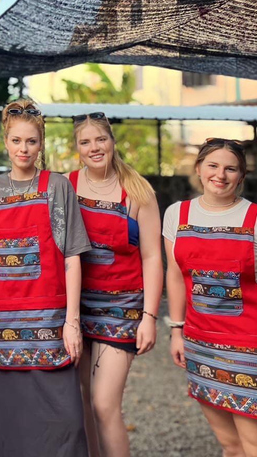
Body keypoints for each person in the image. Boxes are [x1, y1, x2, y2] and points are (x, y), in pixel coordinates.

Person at [0, 99, 90, 457]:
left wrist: (72, 322)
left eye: (32, 142)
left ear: (42, 144)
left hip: (51, 323)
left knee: (65, 421)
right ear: (6, 142)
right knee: (9, 424)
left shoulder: (56, 186)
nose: (24, 149)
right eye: (17, 141)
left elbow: (71, 255)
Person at [67, 112, 163, 457]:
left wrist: (149, 317)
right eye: (86, 142)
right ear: (76, 147)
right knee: (82, 404)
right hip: (76, 309)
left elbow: (152, 257)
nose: (95, 148)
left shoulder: (138, 190)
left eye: (101, 139)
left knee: (104, 404)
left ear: (112, 142)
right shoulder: (67, 185)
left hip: (121, 310)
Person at [165, 138, 257, 457]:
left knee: (255, 445)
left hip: (252, 347)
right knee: (229, 445)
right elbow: (176, 276)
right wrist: (177, 330)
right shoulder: (176, 214)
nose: (220, 175)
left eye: (230, 168)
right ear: (198, 169)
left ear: (241, 176)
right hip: (201, 344)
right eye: (213, 165)